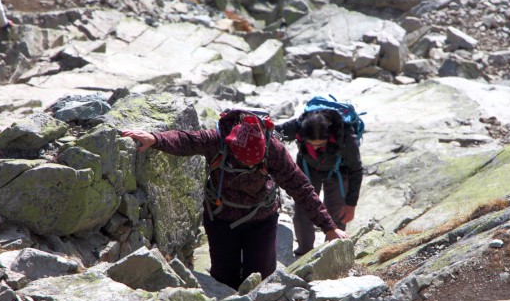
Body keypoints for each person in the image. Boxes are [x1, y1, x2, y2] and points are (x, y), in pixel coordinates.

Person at [121, 109, 348, 290]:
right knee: (223, 278)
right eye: (244, 162)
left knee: (260, 279)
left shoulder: (274, 149)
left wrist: (329, 227)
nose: (250, 166)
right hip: (221, 219)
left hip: (261, 218)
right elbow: (186, 140)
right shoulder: (218, 141)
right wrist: (155, 139)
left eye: (255, 163)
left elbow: (300, 187)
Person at [275, 108, 363, 255]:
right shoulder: (298, 126)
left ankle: (333, 252)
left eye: (320, 145)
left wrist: (351, 205)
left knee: (338, 213)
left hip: (338, 171)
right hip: (308, 167)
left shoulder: (345, 136)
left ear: (329, 136)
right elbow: (274, 133)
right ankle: (305, 251)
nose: (315, 147)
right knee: (303, 209)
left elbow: (356, 171)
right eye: (311, 144)